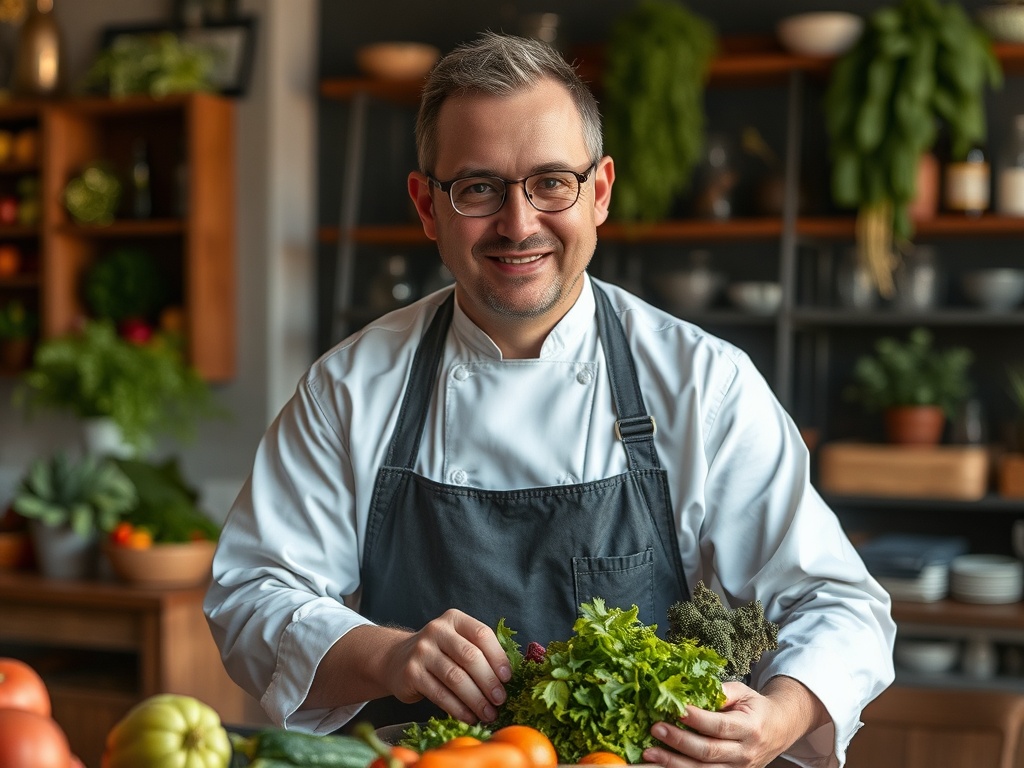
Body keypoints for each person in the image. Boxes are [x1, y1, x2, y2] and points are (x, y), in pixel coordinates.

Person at [205, 32, 895, 768]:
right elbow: (251, 593)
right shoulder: (349, 389)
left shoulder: (703, 385)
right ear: (426, 206)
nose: (518, 223)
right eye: (477, 187)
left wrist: (781, 716)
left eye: (550, 183)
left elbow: (834, 601)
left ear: (598, 192)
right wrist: (389, 655)